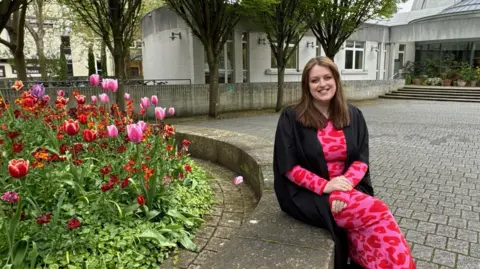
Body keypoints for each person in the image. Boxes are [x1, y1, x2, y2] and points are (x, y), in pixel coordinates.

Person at [273, 56, 415, 269]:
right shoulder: (292, 117)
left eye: (327, 77)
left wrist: (341, 190)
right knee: (377, 211)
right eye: (315, 80)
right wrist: (326, 187)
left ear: (336, 80)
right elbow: (289, 166)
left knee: (374, 226)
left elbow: (361, 161)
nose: (322, 84)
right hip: (307, 194)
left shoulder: (353, 115)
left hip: (348, 190)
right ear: (307, 86)